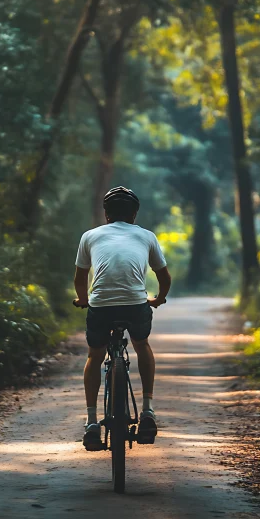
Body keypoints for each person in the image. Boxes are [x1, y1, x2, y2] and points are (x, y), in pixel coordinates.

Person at [74, 186, 172, 450]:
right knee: (142, 346)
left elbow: (80, 278)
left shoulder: (90, 236)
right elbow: (164, 278)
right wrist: (158, 298)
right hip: (135, 306)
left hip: (101, 307)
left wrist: (83, 300)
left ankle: (92, 420)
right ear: (135, 214)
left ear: (106, 214)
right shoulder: (147, 236)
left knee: (95, 355)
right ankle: (148, 410)